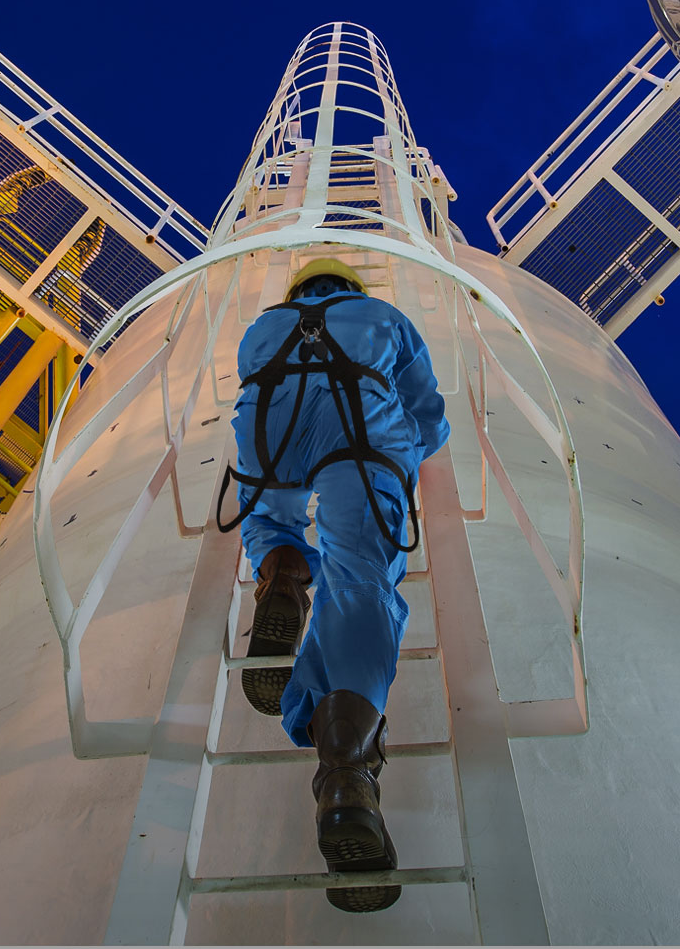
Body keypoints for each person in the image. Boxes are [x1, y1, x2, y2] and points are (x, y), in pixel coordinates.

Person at [221, 257, 449, 913]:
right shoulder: (382, 315)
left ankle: (282, 580)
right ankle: (347, 776)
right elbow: (428, 417)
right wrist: (410, 455)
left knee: (269, 515)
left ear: (297, 292)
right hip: (357, 424)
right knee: (360, 581)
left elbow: (247, 380)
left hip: (270, 421)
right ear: (354, 288)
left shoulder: (263, 325)